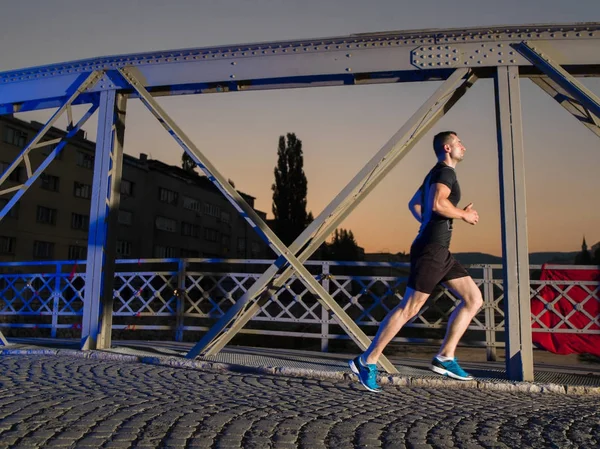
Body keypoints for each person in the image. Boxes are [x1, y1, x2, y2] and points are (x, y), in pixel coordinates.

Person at [349, 131, 483, 392]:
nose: (463, 147)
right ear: (447, 147)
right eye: (459, 143)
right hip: (431, 251)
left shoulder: (435, 173)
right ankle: (367, 360)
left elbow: (414, 205)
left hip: (438, 250)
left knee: (474, 299)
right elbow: (437, 205)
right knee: (409, 308)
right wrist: (462, 216)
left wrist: (428, 227)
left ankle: (445, 357)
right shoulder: (446, 172)